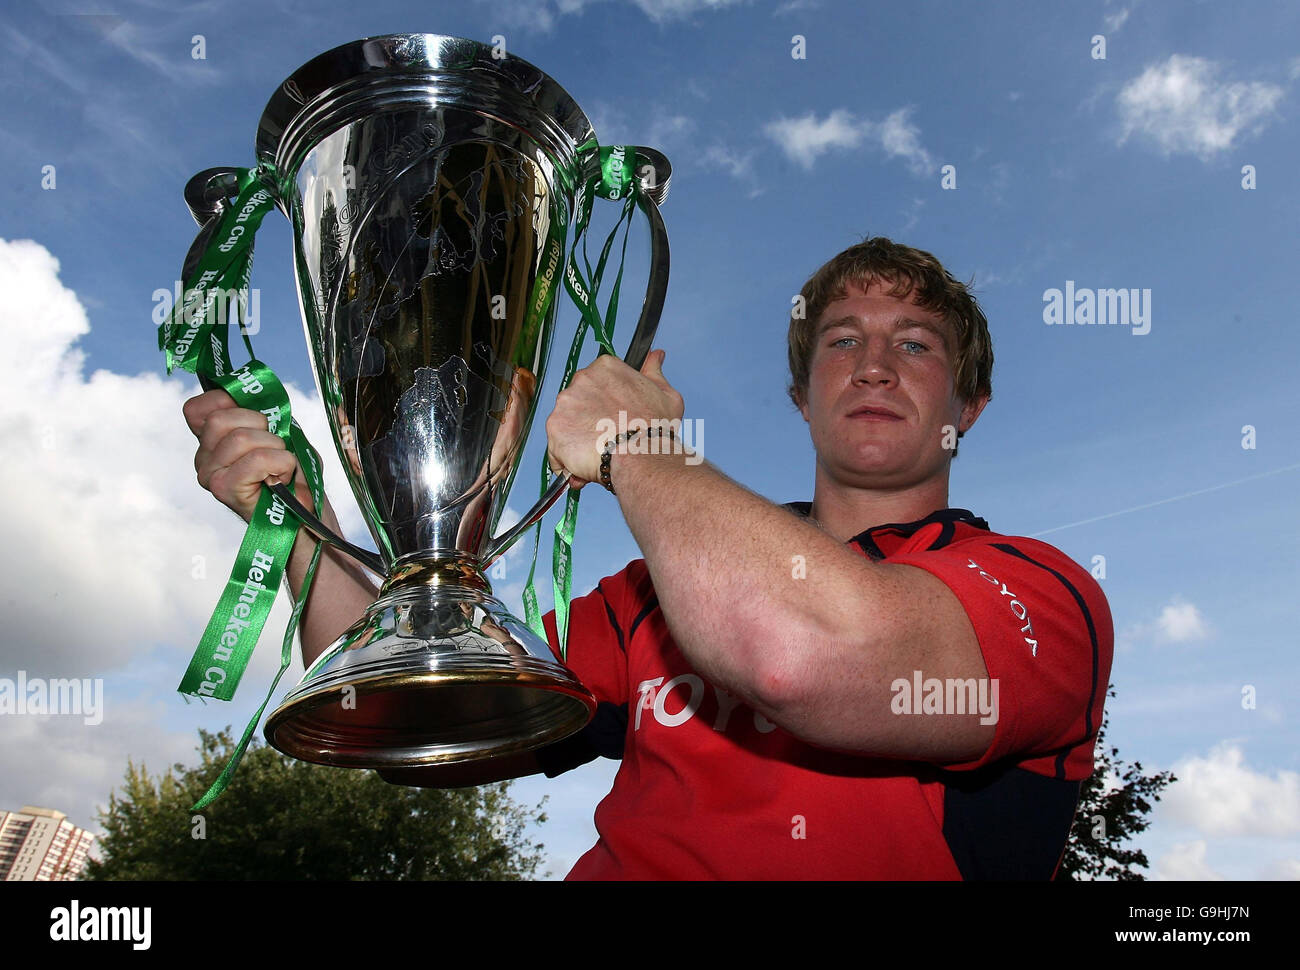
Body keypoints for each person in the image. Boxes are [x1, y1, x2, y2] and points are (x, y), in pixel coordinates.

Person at [184, 235, 1113, 880]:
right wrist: (302, 532)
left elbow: (803, 654)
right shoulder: (651, 592)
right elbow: (416, 726)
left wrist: (639, 447)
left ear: (969, 407)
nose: (873, 364)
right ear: (800, 395)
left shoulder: (1042, 591)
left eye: (915, 345)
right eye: (842, 341)